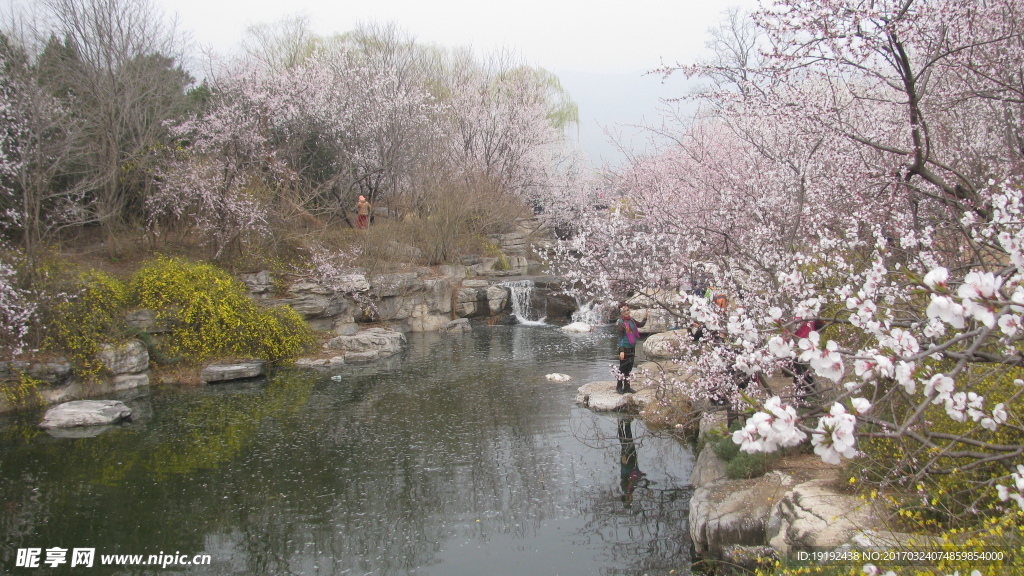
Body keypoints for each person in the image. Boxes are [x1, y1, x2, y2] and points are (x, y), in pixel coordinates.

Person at [615, 305, 647, 394]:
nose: (626, 312)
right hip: (624, 348)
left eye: (627, 310)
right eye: (624, 311)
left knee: (629, 368)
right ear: (621, 313)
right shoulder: (621, 323)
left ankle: (627, 387)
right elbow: (620, 338)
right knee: (622, 368)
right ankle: (618, 386)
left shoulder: (631, 320)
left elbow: (640, 325)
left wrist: (645, 317)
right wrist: (621, 351)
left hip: (631, 347)